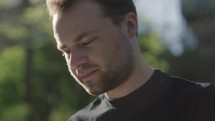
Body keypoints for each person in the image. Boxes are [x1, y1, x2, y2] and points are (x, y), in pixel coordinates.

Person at [46, 0, 215, 121]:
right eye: (66, 51)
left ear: (130, 25)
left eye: (86, 42)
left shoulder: (202, 104)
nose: (74, 62)